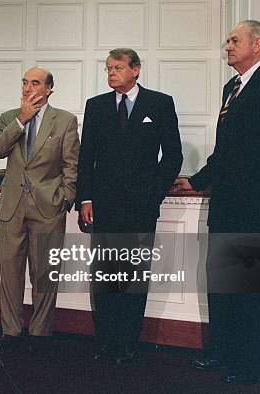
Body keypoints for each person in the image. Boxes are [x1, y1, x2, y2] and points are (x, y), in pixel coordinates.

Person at [175, 20, 260, 384]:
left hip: (258, 204)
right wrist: (196, 181)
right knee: (224, 283)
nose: (227, 45)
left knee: (253, 288)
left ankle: (252, 365)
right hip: (226, 204)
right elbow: (227, 151)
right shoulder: (231, 87)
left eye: (234, 40)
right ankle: (223, 353)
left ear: (257, 44)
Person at [76, 48, 182, 363]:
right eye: (108, 68)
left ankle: (127, 343)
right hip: (104, 208)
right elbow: (86, 158)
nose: (111, 73)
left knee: (134, 278)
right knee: (104, 277)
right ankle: (105, 340)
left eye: (118, 67)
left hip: (141, 207)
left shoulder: (160, 103)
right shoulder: (95, 106)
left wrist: (155, 192)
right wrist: (86, 197)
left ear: (135, 70)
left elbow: (173, 155)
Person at [0, 66, 80, 352]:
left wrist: (65, 198)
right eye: (25, 83)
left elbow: (71, 165)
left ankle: (41, 333)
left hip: (48, 207)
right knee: (10, 273)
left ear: (49, 88)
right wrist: (21, 120)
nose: (28, 88)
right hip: (12, 207)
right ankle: (11, 331)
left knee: (45, 274)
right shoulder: (8, 118)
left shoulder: (65, 121)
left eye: (36, 83)